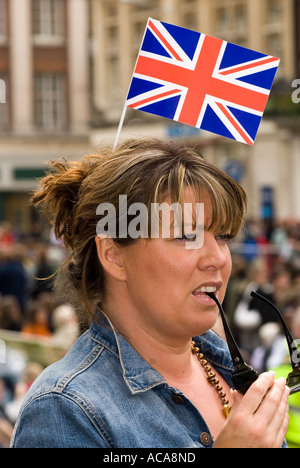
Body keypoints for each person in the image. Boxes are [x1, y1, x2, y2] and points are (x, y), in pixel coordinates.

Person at [11, 139, 290, 448]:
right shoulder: (65, 409)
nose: (219, 258)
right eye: (186, 235)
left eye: (223, 236)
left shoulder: (226, 364)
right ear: (114, 256)